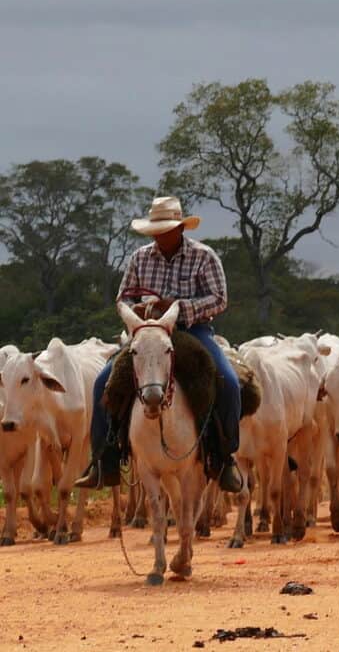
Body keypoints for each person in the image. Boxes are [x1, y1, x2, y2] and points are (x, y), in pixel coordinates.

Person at [75, 196, 243, 493]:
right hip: (147, 332)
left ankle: (224, 456)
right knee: (103, 382)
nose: (159, 235)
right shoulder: (140, 257)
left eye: (165, 229)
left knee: (227, 381)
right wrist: (135, 311)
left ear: (180, 228)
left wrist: (179, 306)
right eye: (156, 230)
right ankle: (105, 461)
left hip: (192, 331)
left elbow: (220, 299)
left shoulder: (203, 256)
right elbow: (123, 298)